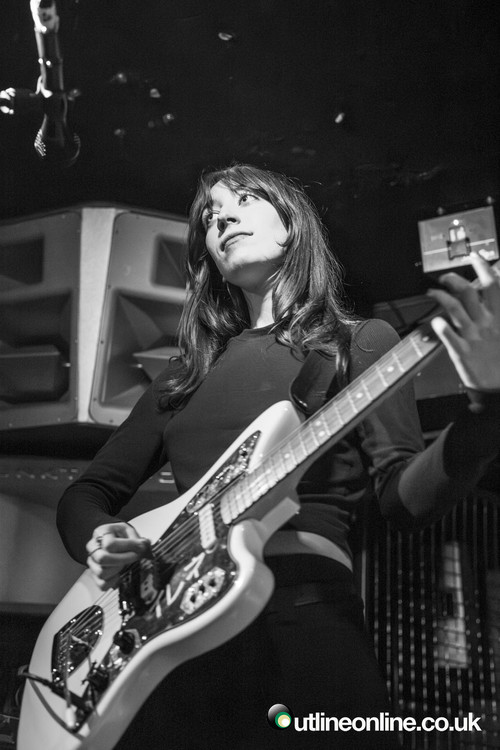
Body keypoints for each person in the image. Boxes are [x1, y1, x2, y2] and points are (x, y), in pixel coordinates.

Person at [57, 164, 500, 749]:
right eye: (210, 216)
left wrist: (484, 412)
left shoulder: (359, 343)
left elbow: (403, 501)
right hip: (174, 642)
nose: (222, 217)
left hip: (306, 619)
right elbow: (85, 494)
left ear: (291, 226)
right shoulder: (185, 376)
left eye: (243, 201)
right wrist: (99, 538)